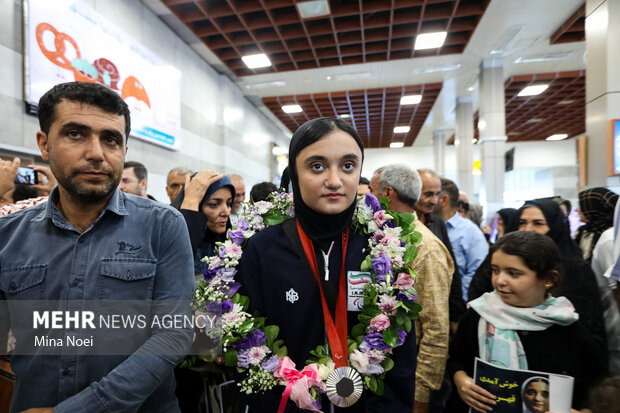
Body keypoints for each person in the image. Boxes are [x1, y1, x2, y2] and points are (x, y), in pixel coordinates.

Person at [0, 81, 194, 411]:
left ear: (125, 151)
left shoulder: (162, 225)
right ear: (44, 145)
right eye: (75, 134)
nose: (96, 153)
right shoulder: (7, 235)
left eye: (111, 139)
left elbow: (173, 334)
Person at [236, 117, 417, 412]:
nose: (334, 180)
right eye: (317, 166)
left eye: (348, 166)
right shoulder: (263, 249)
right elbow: (245, 349)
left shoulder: (383, 248)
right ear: (295, 171)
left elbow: (401, 351)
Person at [447, 231, 606, 413]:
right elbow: (457, 358)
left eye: (513, 274)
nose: (499, 281)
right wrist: (461, 381)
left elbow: (595, 387)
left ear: (548, 279)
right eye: (495, 270)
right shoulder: (479, 314)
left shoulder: (567, 326)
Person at [370, 164, 453, 413]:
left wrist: (421, 395)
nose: (367, 201)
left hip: (410, 384)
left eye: (371, 193)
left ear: (387, 194)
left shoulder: (427, 248)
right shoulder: (384, 236)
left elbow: (436, 329)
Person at [171, 171, 234, 276]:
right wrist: (191, 202)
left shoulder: (231, 244)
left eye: (228, 203)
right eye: (214, 205)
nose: (226, 212)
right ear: (197, 207)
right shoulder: (176, 240)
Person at [435, 177, 489, 301]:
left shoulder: (470, 231)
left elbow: (477, 271)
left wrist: (459, 303)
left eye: (434, 195)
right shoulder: (428, 227)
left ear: (444, 200)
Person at [575, 187, 619, 263]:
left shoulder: (612, 235)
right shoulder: (583, 231)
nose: (576, 210)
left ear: (594, 207)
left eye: (581, 205)